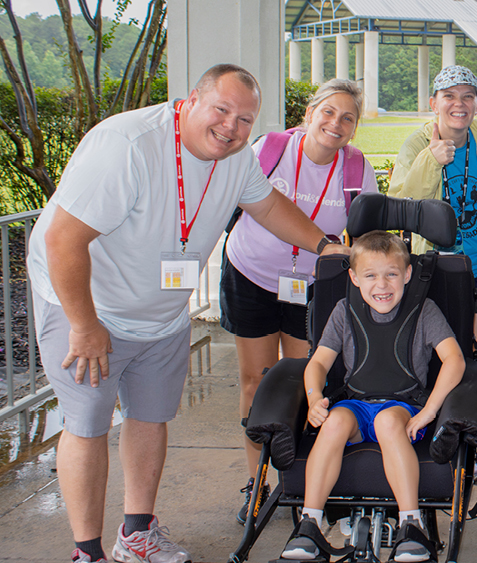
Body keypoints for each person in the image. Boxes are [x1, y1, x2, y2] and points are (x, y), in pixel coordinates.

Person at [27, 64, 343, 563]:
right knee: (87, 424)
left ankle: (137, 534)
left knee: (151, 418)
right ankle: (86, 551)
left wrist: (324, 246)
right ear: (191, 101)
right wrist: (84, 326)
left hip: (162, 313)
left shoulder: (237, 156)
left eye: (245, 118)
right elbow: (63, 239)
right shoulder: (128, 145)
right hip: (92, 307)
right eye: (222, 110)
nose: (231, 127)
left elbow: (266, 206)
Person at [220, 78, 377, 523]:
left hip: (309, 285)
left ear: (354, 128)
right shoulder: (270, 149)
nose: (336, 123)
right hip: (250, 274)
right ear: (309, 114)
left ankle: (305, 481)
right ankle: (257, 482)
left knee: (309, 384)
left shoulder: (356, 168)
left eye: (348, 117)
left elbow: (362, 234)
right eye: (328, 112)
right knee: (255, 380)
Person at [280, 231, 465, 562]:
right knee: (335, 422)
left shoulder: (425, 311)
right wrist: (313, 399)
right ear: (353, 277)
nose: (382, 285)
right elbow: (318, 362)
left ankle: (412, 524)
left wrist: (428, 413)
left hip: (402, 406)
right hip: (356, 403)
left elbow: (455, 360)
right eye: (370, 276)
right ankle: (310, 521)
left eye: (392, 274)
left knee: (386, 422)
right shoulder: (343, 310)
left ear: (407, 273)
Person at [389, 65, 477, 340]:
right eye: (449, 95)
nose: (459, 104)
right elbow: (400, 204)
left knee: (476, 350)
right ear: (434, 103)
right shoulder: (416, 145)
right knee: (438, 356)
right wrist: (430, 160)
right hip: (432, 270)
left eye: (468, 96)